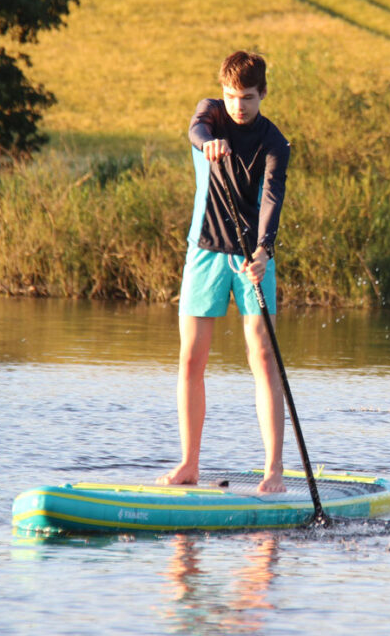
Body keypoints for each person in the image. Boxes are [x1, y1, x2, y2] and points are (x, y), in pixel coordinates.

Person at [157, 51, 290, 494]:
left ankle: (273, 470)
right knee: (191, 358)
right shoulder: (210, 114)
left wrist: (263, 250)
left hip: (252, 258)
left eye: (248, 98)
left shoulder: (275, 143)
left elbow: (271, 199)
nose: (238, 106)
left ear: (263, 94)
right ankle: (189, 464)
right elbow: (195, 131)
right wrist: (206, 142)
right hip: (206, 252)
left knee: (262, 356)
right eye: (232, 96)